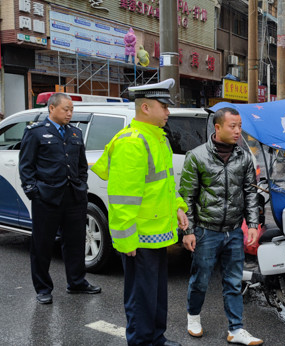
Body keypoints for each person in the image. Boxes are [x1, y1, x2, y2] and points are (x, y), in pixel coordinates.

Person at [91, 79, 188, 346]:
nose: (168, 112)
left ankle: (156, 337)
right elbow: (122, 199)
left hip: (157, 232)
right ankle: (141, 341)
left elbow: (165, 185)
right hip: (140, 236)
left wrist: (178, 207)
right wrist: (125, 239)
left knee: (155, 293)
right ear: (145, 107)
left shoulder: (157, 139)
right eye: (164, 106)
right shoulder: (132, 142)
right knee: (140, 296)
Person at [179, 107, 263, 346]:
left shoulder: (244, 157)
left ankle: (236, 329)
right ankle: (193, 317)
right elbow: (187, 197)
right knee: (201, 279)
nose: (238, 131)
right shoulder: (196, 156)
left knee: (234, 281)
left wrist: (253, 225)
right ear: (217, 128)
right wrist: (188, 231)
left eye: (239, 126)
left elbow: (249, 193)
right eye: (232, 126)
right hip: (206, 230)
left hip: (234, 230)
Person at [19, 93, 101, 305]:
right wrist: (33, 192)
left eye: (71, 109)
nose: (69, 113)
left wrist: (82, 186)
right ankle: (43, 288)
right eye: (66, 109)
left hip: (74, 197)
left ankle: (76, 282)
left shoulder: (75, 133)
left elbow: (81, 166)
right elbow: (26, 166)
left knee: (75, 242)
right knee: (42, 245)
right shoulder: (35, 133)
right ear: (52, 109)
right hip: (46, 199)